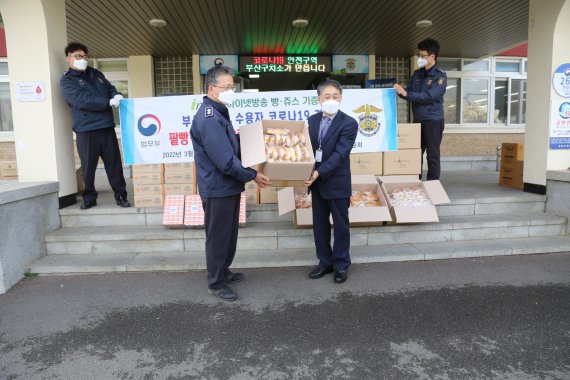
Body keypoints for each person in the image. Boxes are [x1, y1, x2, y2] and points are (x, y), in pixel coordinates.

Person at [190, 65, 271, 301]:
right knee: (218, 236)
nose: (231, 91)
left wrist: (256, 138)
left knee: (228, 234)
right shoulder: (208, 118)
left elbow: (231, 145)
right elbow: (225, 161)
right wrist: (252, 175)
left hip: (227, 186)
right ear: (212, 88)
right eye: (227, 87)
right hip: (218, 187)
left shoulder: (219, 111)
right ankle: (216, 282)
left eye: (232, 86)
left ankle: (223, 270)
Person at [60, 42, 130, 209]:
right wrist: (108, 102)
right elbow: (81, 100)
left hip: (106, 126)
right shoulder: (67, 81)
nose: (82, 59)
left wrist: (117, 94)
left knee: (114, 164)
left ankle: (121, 195)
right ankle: (89, 198)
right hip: (86, 129)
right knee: (88, 166)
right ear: (69, 59)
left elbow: (110, 88)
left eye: (85, 56)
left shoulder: (96, 73)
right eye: (78, 56)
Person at [304, 79, 358, 284]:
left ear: (341, 98)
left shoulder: (349, 123)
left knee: (341, 226)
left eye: (335, 96)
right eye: (327, 96)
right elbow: (307, 150)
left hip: (336, 182)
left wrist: (319, 172)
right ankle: (324, 262)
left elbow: (340, 154)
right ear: (319, 99)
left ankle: (341, 264)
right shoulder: (312, 120)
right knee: (320, 226)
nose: (331, 100)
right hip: (316, 184)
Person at [394, 38, 447, 180]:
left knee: (432, 155)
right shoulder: (417, 74)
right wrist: (399, 91)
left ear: (432, 56)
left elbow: (429, 96)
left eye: (423, 56)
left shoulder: (440, 76)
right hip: (418, 120)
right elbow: (409, 94)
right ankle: (415, 184)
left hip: (433, 121)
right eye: (419, 55)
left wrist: (406, 93)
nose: (420, 58)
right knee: (415, 154)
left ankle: (432, 187)